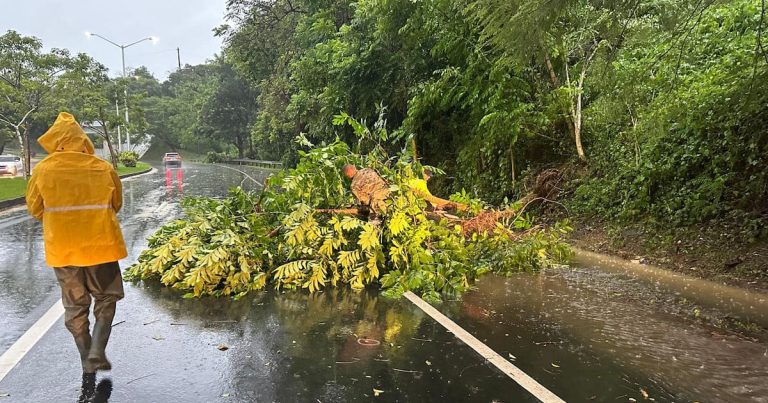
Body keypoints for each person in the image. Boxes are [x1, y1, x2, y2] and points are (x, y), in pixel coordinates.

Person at [26, 112, 127, 379]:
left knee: (74, 306)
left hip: (64, 250)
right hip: (101, 246)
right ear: (82, 140)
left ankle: (85, 356)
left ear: (55, 141)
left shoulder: (43, 170)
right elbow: (116, 204)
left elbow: (35, 208)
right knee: (106, 297)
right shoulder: (102, 167)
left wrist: (60, 221)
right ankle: (97, 350)